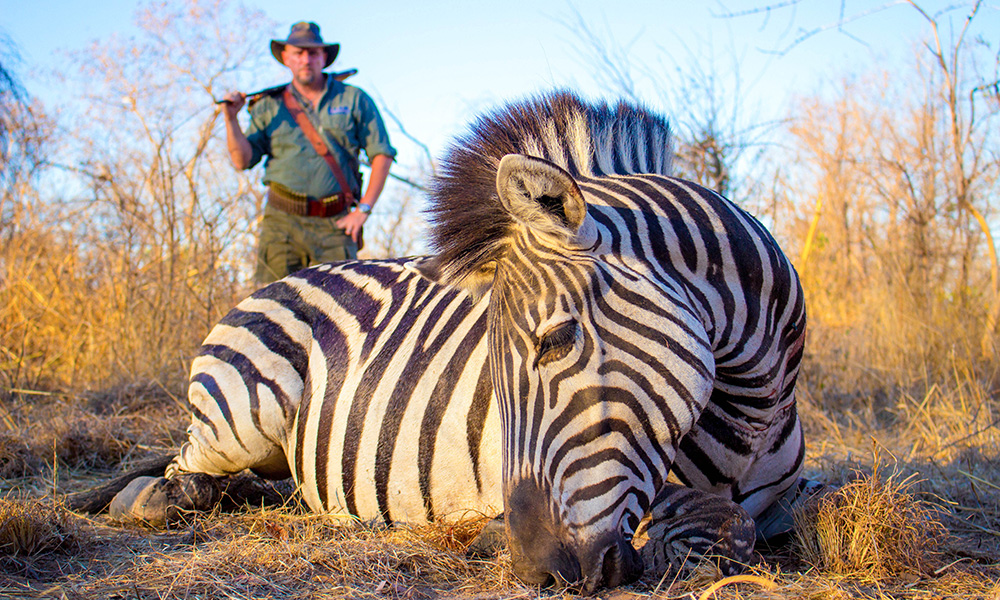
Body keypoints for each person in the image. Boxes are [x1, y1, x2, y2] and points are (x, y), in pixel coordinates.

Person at [221, 21, 397, 284]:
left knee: (342, 314)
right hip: (281, 225)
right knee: (270, 312)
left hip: (336, 223)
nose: (306, 59)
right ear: (285, 58)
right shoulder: (268, 105)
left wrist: (363, 210)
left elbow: (382, 154)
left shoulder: (353, 99)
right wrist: (231, 119)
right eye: (298, 52)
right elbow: (241, 160)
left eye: (313, 52)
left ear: (324, 57)